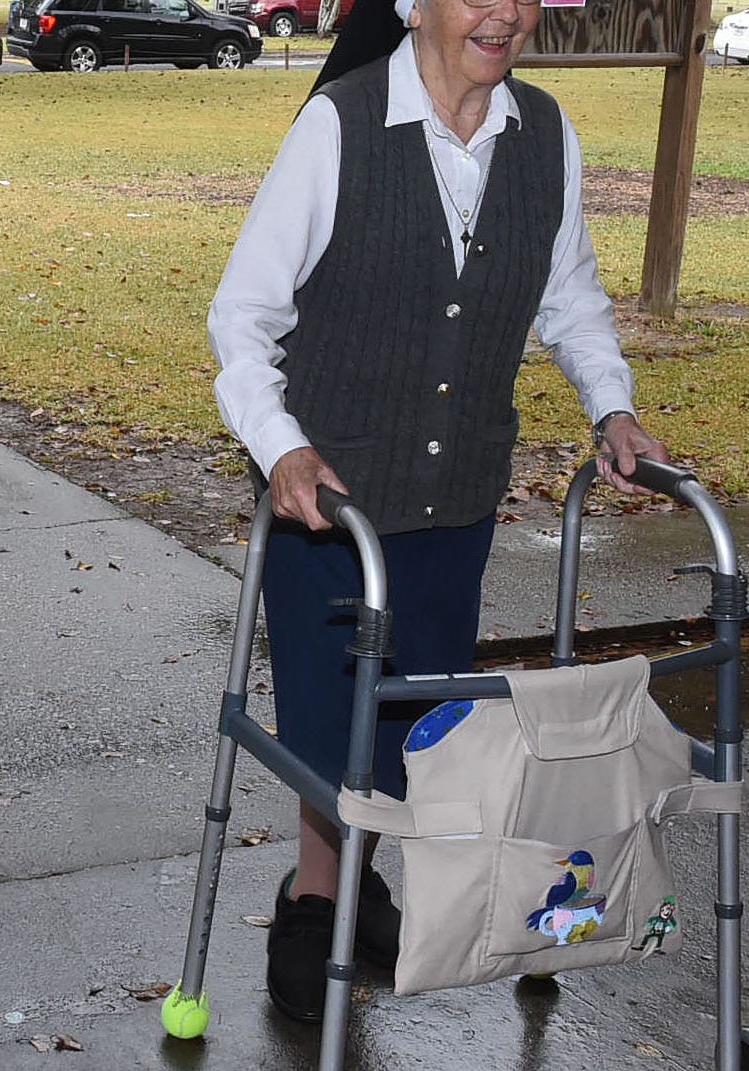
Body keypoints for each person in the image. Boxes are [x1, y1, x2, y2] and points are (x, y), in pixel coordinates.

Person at [206, 0, 668, 1025]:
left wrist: (615, 405)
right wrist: (280, 445)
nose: (500, 13)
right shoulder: (339, 125)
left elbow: (571, 294)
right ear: (416, 7)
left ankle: (355, 892)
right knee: (332, 742)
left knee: (410, 736)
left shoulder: (544, 132)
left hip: (452, 502)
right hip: (333, 506)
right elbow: (242, 313)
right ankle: (311, 906)